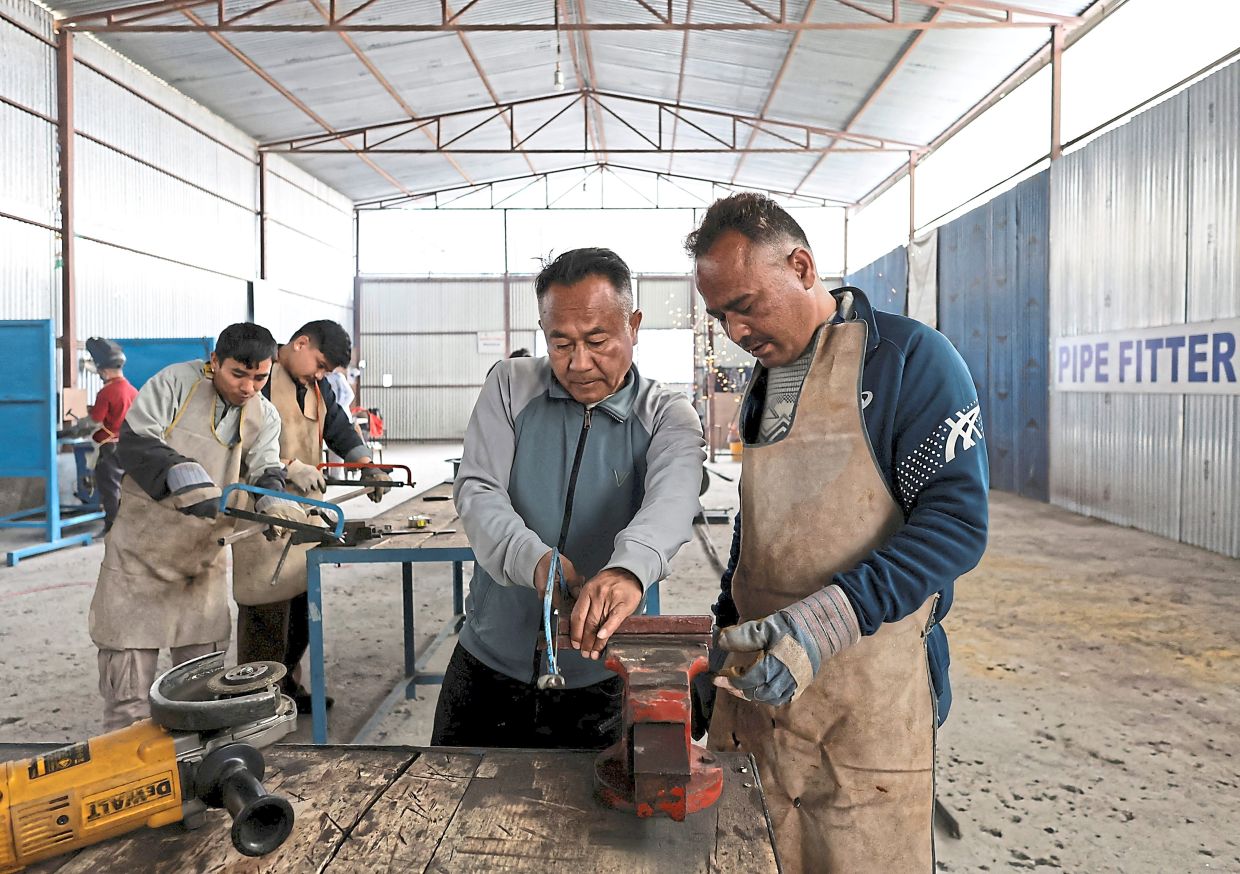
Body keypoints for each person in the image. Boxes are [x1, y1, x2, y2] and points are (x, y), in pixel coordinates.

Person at [687, 194, 989, 873]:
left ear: (801, 265)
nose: (736, 329)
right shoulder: (765, 381)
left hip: (867, 701)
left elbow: (955, 525)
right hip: (763, 687)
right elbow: (758, 526)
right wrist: (720, 636)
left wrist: (828, 618)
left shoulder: (910, 362)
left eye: (747, 304)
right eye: (720, 316)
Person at [431, 247, 706, 749]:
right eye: (560, 344)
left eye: (597, 341)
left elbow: (672, 501)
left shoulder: (669, 415)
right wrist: (532, 560)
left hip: (605, 671)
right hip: (488, 660)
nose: (579, 364)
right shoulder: (510, 386)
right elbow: (477, 488)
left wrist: (628, 569)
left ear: (634, 324)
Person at [90, 323, 306, 732]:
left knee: (200, 695)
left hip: (200, 566)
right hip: (139, 560)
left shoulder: (264, 414)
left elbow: (265, 467)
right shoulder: (176, 383)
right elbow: (135, 439)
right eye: (237, 375)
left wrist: (273, 496)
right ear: (214, 363)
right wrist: (176, 469)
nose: (248, 387)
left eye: (260, 377)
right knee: (129, 699)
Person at [233, 321, 387, 714]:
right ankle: (255, 700)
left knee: (300, 606)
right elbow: (241, 445)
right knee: (266, 609)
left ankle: (288, 686)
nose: (320, 374)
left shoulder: (315, 387)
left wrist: (366, 464)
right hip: (264, 513)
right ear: (300, 343)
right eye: (318, 364)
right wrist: (288, 466)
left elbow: (338, 427)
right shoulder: (260, 377)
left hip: (305, 513)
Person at [85, 337, 137, 534]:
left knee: (110, 490)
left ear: (104, 371)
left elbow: (96, 419)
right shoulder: (132, 390)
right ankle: (126, 527)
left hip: (110, 449)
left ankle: (112, 528)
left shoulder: (106, 392)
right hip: (129, 446)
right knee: (126, 490)